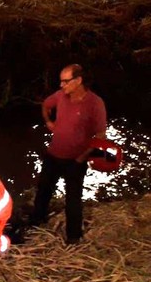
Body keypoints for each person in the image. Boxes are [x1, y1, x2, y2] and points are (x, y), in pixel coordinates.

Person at [30, 64, 107, 244]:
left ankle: (73, 237)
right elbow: (45, 105)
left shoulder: (95, 103)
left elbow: (101, 136)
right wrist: (49, 121)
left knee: (73, 198)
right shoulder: (60, 96)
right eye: (61, 81)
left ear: (78, 80)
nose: (61, 85)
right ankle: (37, 220)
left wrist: (82, 157)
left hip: (75, 160)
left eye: (65, 81)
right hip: (53, 155)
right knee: (43, 189)